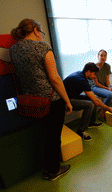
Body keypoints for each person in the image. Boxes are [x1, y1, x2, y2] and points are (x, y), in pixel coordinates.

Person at [10, 18, 73, 181]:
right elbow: (55, 79)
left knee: (47, 135)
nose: (42, 36)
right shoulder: (42, 48)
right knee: (54, 137)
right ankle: (53, 171)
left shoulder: (14, 49)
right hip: (51, 101)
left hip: (32, 101)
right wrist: (67, 100)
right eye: (42, 33)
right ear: (36, 30)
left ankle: (48, 167)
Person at [63, 62, 112, 140]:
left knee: (93, 99)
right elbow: (96, 101)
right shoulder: (82, 80)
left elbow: (93, 98)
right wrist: (108, 108)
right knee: (90, 104)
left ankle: (91, 122)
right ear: (88, 72)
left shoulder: (81, 75)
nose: (95, 77)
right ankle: (81, 131)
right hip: (66, 101)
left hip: (72, 96)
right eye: (94, 74)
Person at [90, 49, 112, 119]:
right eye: (101, 55)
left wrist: (109, 87)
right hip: (95, 86)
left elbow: (107, 80)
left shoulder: (107, 66)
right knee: (110, 94)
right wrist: (108, 89)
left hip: (104, 84)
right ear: (98, 56)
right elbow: (97, 83)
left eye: (104, 56)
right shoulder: (94, 67)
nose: (103, 57)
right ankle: (102, 113)